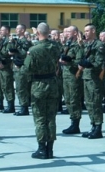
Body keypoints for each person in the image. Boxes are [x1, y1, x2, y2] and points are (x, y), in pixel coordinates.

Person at [26, 23, 60, 159]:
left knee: (40, 117)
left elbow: (27, 68)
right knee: (51, 117)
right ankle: (50, 149)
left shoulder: (34, 50)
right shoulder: (56, 47)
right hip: (52, 83)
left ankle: (41, 149)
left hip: (39, 84)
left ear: (37, 33)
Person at [78, 24, 105, 139]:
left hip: (94, 78)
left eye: (87, 31)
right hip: (87, 77)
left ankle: (98, 128)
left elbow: (99, 62)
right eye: (84, 31)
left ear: (93, 31)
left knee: (95, 103)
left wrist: (88, 64)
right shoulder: (87, 45)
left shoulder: (99, 45)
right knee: (89, 103)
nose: (85, 33)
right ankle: (93, 126)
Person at [59, 26, 84, 135]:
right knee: (68, 100)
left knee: (74, 100)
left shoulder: (78, 45)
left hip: (74, 76)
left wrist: (69, 62)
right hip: (66, 75)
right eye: (66, 31)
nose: (67, 33)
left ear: (75, 33)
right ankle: (72, 120)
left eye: (69, 31)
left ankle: (76, 123)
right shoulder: (67, 44)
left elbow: (79, 61)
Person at [11, 24, 32, 116]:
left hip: (22, 67)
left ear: (23, 30)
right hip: (16, 66)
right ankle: (23, 105)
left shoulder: (24, 41)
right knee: (19, 87)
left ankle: (24, 107)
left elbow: (25, 53)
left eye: (18, 29)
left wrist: (17, 51)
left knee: (21, 87)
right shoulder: (17, 41)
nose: (16, 30)